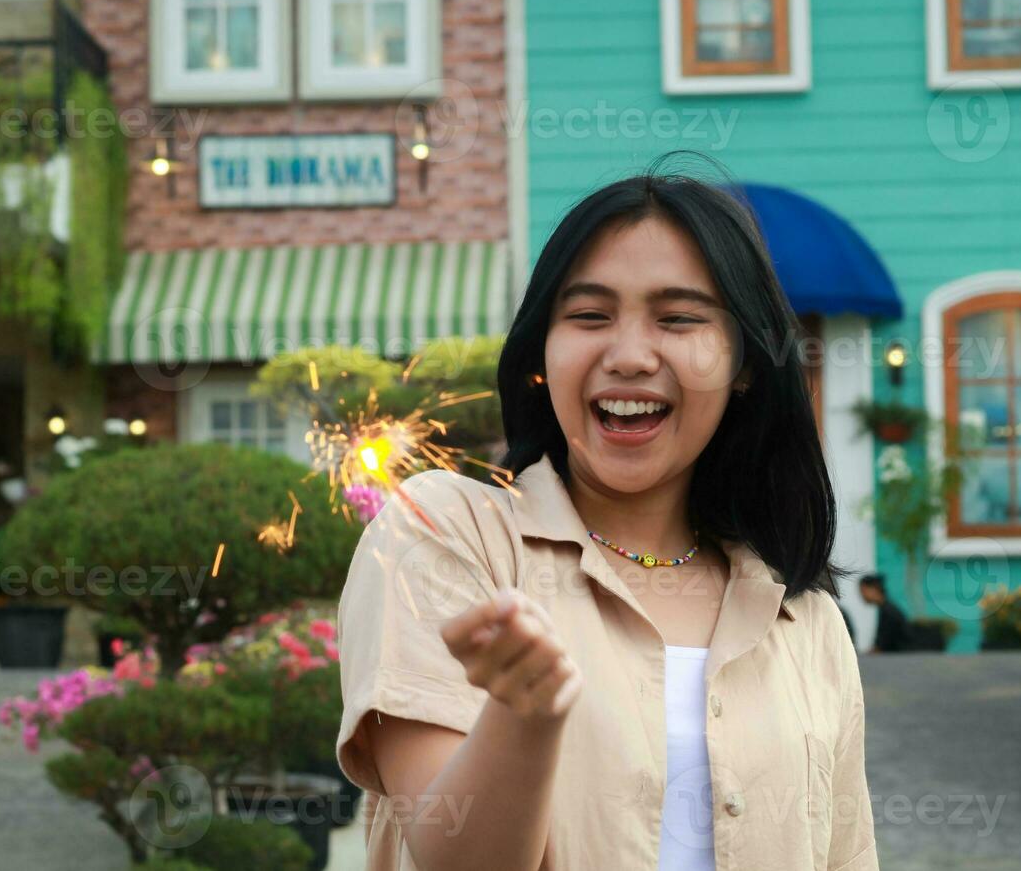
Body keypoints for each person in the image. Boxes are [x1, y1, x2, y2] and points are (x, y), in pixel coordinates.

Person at [335, 159, 879, 871]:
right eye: (589, 316)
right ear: (541, 355)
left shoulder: (802, 618)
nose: (628, 356)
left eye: (679, 318)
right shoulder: (447, 535)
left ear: (745, 362)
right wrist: (525, 714)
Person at [858, 573, 912, 654]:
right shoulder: (887, 609)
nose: (861, 595)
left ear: (873, 589)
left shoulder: (889, 612)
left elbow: (881, 647)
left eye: (863, 591)